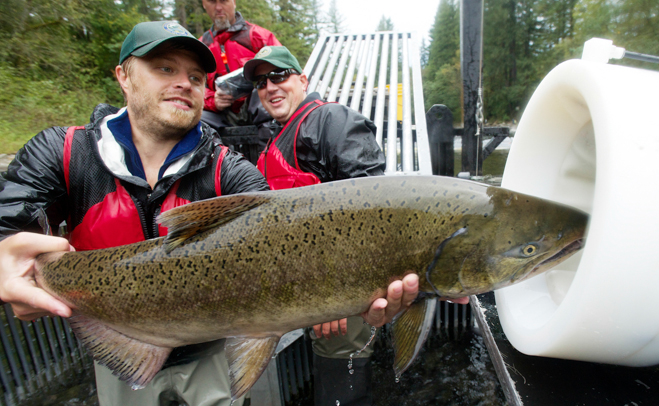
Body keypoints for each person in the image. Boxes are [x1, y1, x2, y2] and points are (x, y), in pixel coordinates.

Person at [0, 21, 420, 406]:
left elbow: (283, 246)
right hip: (119, 339)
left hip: (212, 352)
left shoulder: (232, 169)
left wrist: (346, 291)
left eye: (196, 77)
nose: (184, 83)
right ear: (123, 77)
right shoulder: (61, 151)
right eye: (165, 68)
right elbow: (10, 216)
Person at [242, 46, 469, 406]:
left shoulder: (332, 119)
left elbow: (368, 208)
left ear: (303, 80)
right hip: (299, 285)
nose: (270, 86)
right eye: (260, 82)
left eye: (279, 75)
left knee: (341, 388)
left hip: (339, 284)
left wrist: (333, 302)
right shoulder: (275, 138)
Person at [200, 0, 281, 130]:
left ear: (234, 2)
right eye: (212, 1)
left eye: (224, 1)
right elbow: (190, 85)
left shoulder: (259, 36)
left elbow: (286, 70)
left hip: (261, 110)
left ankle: (269, 149)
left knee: (261, 93)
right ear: (204, 4)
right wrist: (212, 100)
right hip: (222, 115)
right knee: (195, 120)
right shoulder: (201, 46)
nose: (219, 7)